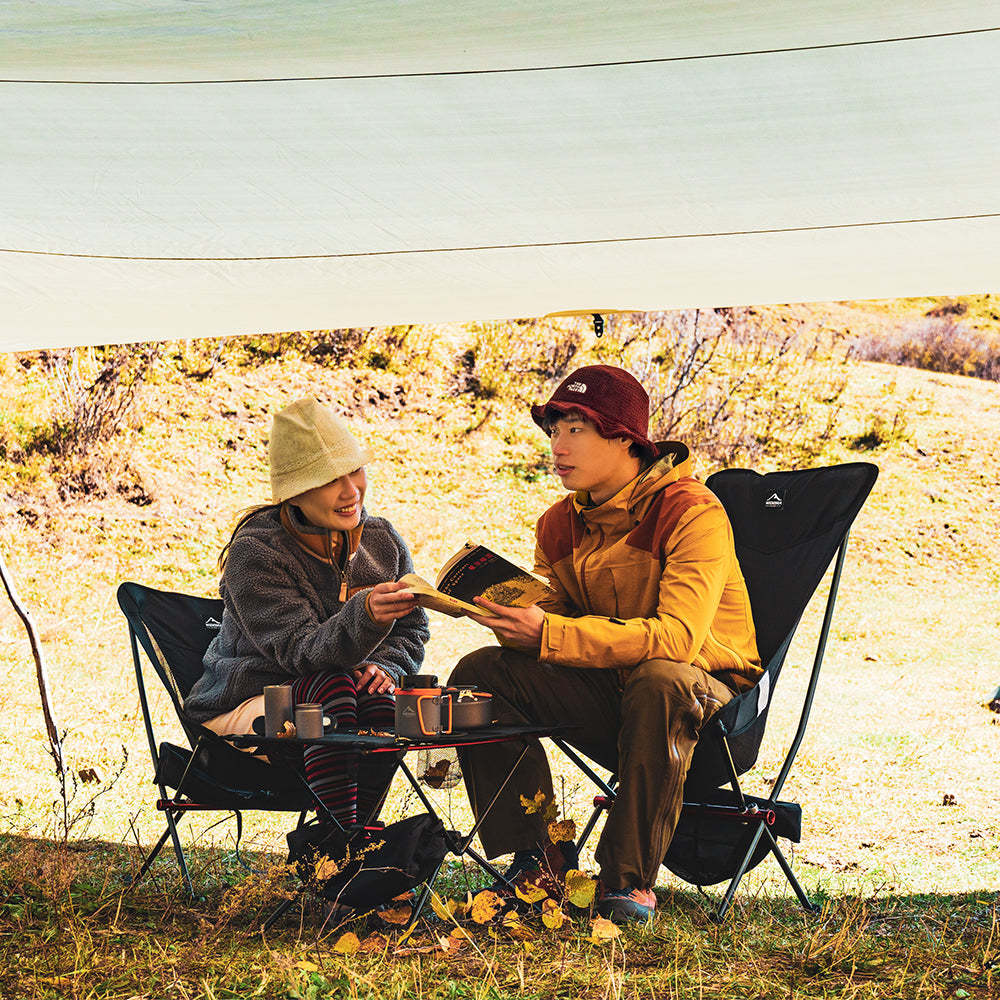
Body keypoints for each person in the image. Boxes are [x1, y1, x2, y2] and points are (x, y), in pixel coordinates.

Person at [451, 364, 762, 923]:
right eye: (554, 430)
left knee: (661, 676)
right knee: (481, 672)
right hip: (614, 697)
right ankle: (539, 861)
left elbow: (678, 638)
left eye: (576, 429)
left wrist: (549, 634)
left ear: (625, 439)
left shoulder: (691, 511)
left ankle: (627, 881)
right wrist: (512, 616)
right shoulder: (557, 525)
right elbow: (566, 622)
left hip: (710, 706)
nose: (558, 445)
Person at [185, 398, 429, 832]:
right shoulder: (255, 553)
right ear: (295, 492)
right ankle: (340, 844)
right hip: (246, 708)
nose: (351, 491)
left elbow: (411, 630)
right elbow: (301, 653)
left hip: (340, 704)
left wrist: (385, 667)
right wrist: (365, 615)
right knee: (331, 686)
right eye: (329, 479)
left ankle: (353, 840)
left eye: (355, 471)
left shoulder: (382, 541)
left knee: (379, 698)